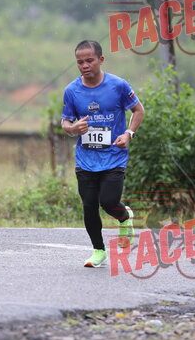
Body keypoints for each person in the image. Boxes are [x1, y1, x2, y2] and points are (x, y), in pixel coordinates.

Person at [61, 40, 145, 267]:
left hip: (114, 156)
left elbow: (138, 110)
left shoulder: (118, 86)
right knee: (89, 206)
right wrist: (72, 128)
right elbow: (65, 121)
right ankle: (98, 251)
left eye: (89, 60)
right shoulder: (72, 91)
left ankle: (124, 217)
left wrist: (128, 134)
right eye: (80, 62)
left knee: (108, 202)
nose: (85, 65)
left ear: (101, 59)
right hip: (86, 159)